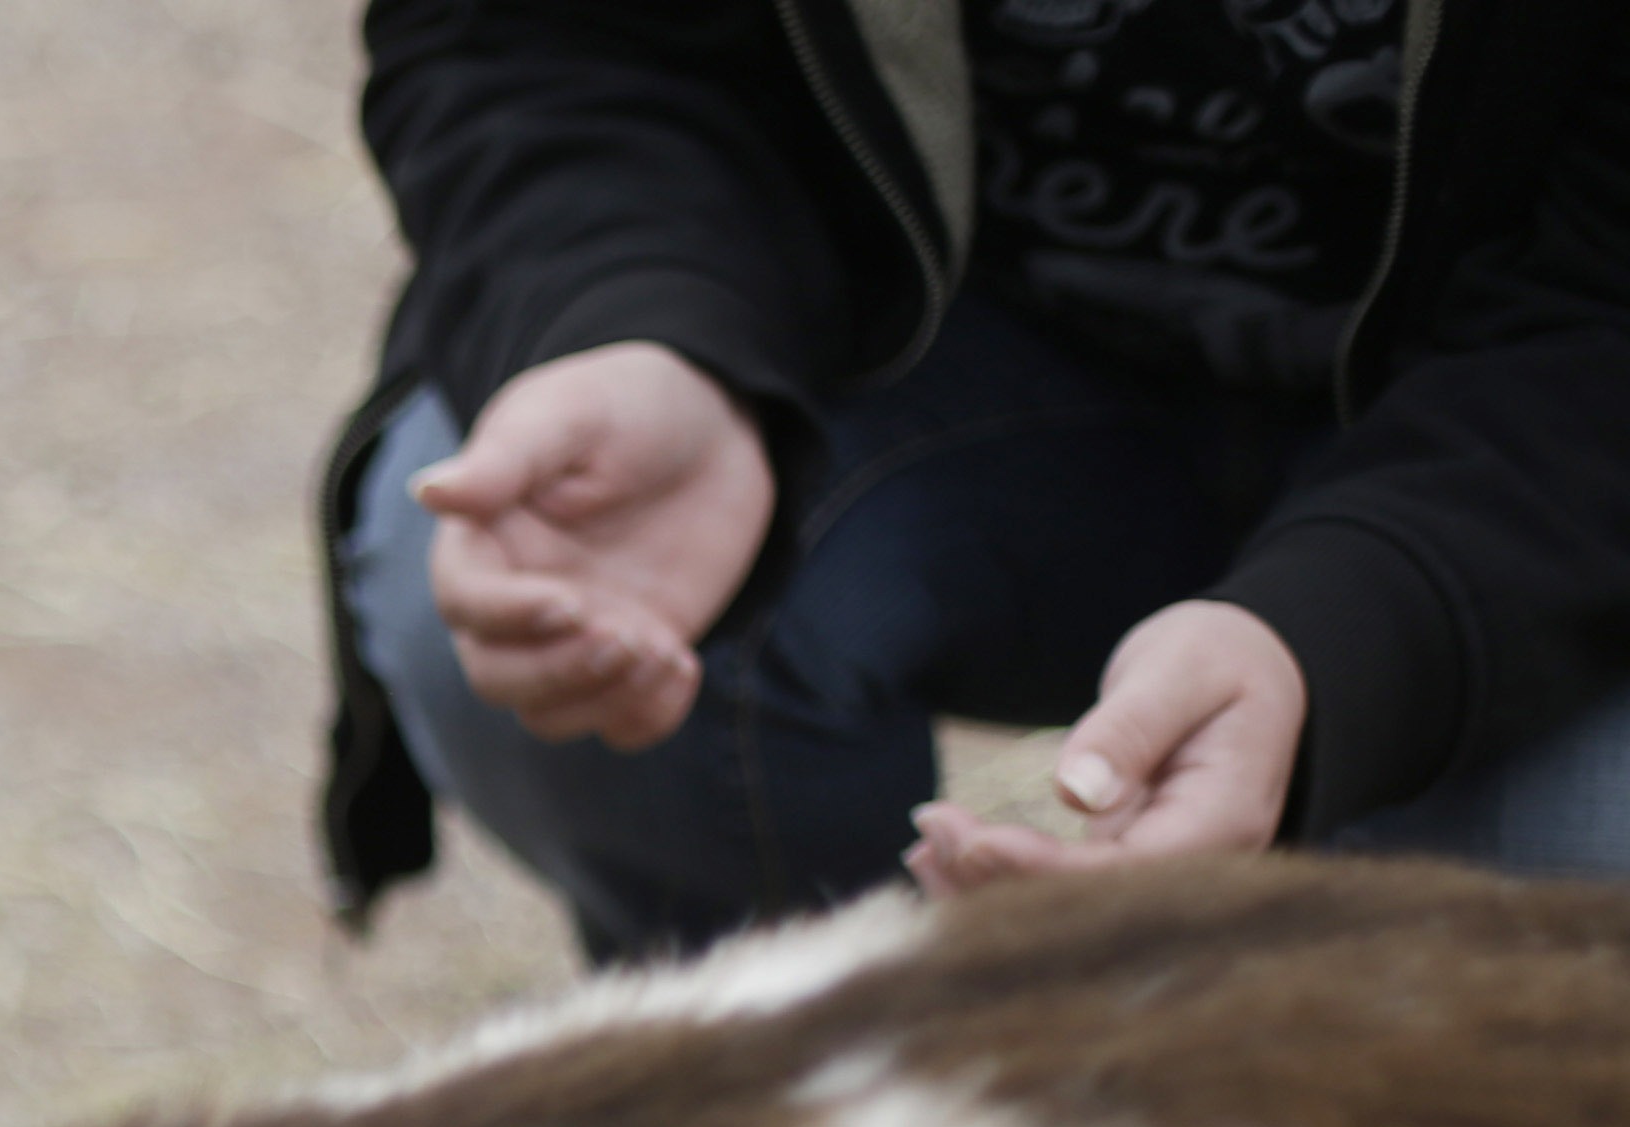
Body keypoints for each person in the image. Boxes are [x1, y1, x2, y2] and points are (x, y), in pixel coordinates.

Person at [319, 0, 1630, 963]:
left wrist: (1362, 635)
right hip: (953, 371)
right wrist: (631, 319)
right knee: (532, 545)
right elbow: (544, 38)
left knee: (1591, 857)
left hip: (1534, 456)